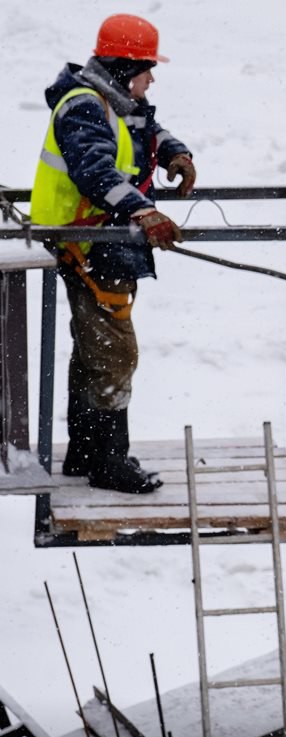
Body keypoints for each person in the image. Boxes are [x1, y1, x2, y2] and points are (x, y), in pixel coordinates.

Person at [31, 13, 195, 493]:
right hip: (88, 241)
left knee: (94, 350)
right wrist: (145, 213)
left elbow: (150, 130)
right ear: (125, 67)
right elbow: (96, 173)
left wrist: (175, 155)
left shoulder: (116, 100)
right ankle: (107, 460)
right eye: (147, 67)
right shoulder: (85, 107)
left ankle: (85, 453)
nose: (152, 77)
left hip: (103, 239)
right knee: (115, 352)